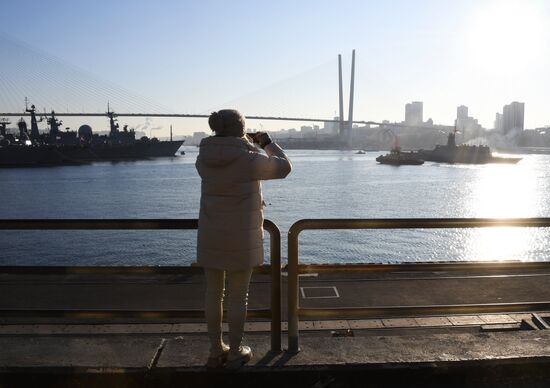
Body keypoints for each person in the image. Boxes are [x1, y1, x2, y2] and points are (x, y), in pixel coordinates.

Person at [196, 109, 292, 369]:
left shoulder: (202, 158)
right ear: (241, 129)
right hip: (241, 235)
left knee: (213, 293)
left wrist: (245, 143)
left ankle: (216, 350)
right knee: (239, 295)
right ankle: (236, 350)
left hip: (211, 233)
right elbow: (284, 167)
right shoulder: (249, 159)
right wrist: (266, 143)